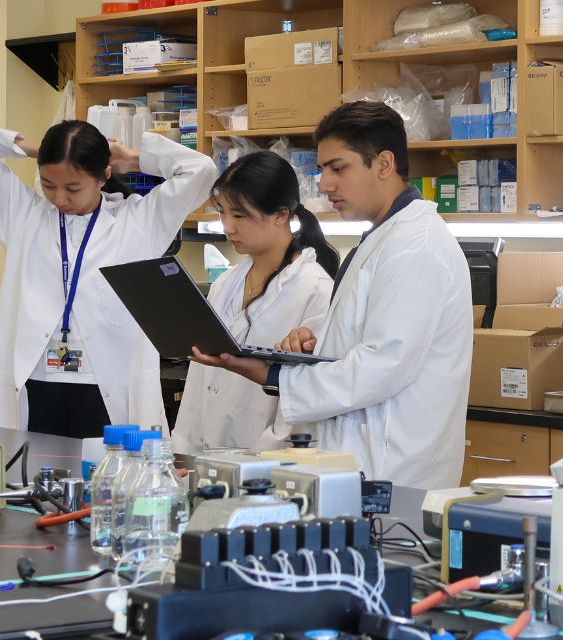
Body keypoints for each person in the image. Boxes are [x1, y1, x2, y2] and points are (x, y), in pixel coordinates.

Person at [190, 101, 472, 489]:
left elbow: (382, 365)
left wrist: (272, 375)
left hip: (395, 471)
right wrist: (317, 334)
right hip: (363, 463)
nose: (324, 185)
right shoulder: (383, 238)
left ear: (384, 164)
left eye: (338, 168)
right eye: (322, 170)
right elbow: (369, 325)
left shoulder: (416, 245)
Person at [0, 119, 216, 438]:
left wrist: (132, 159)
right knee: (30, 482)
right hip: (35, 386)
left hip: (106, 391)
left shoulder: (140, 221)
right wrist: (42, 151)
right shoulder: (24, 216)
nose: (60, 198)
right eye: (48, 184)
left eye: (73, 187)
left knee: (106, 483)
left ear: (104, 175)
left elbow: (201, 170)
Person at [173, 151, 341, 454]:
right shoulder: (226, 283)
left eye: (239, 215)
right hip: (204, 456)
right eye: (222, 212)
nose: (228, 226)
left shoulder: (316, 291)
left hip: (267, 463)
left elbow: (304, 401)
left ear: (280, 215)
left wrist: (260, 460)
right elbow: (199, 383)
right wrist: (182, 451)